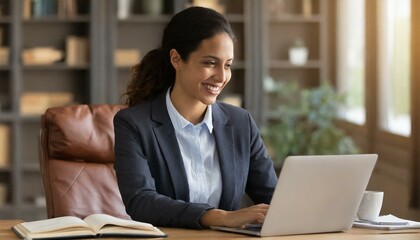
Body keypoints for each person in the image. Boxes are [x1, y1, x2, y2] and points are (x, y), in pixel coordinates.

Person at [113, 6, 277, 229]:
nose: (221, 76)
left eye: (227, 65)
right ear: (176, 59)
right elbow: (140, 201)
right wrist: (219, 217)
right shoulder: (134, 124)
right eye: (210, 63)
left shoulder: (241, 123)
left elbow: (273, 199)